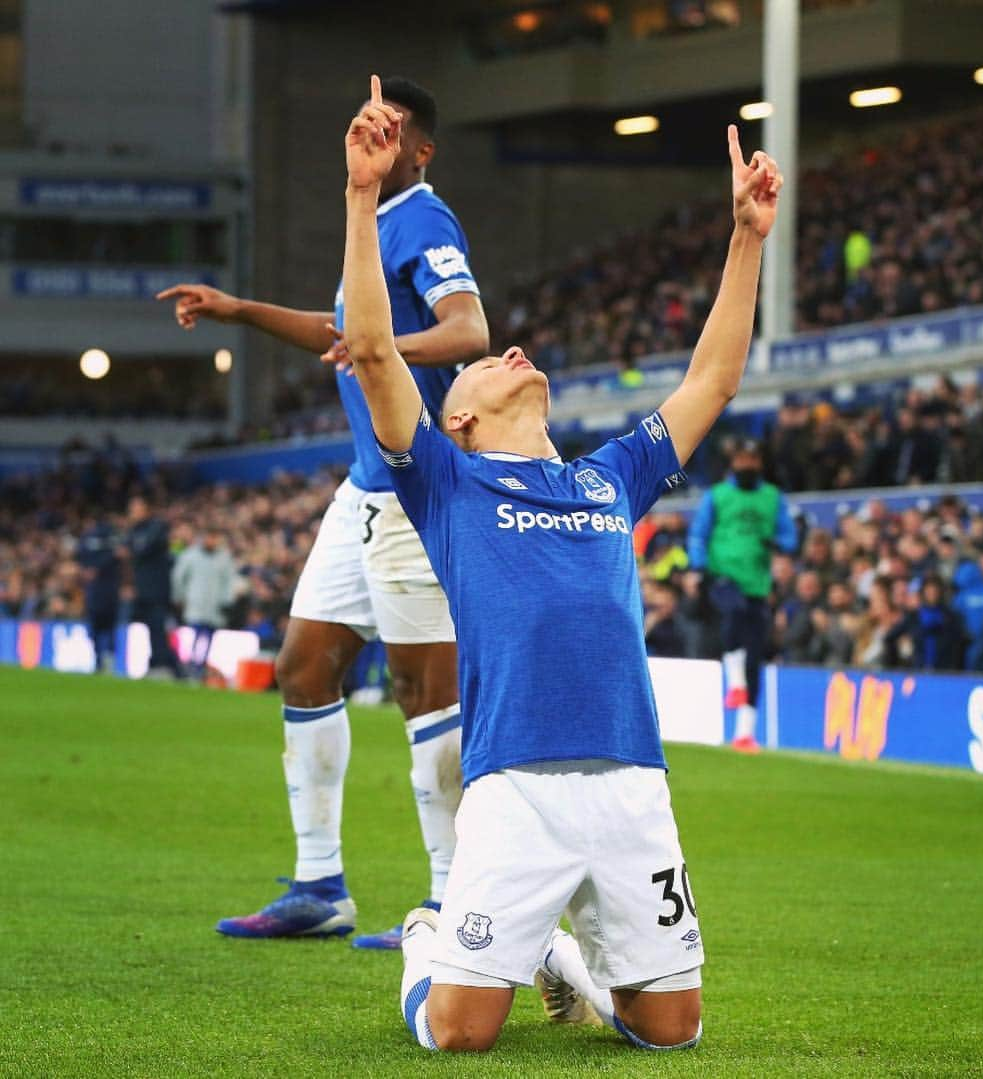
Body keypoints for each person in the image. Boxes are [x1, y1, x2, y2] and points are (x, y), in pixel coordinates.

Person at [339, 78, 781, 1052]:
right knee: (458, 1032)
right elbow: (372, 351)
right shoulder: (446, 481)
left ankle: (568, 957)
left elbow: (713, 378)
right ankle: (431, 936)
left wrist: (746, 238)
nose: (516, 351)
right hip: (517, 783)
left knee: (673, 1033)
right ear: (457, 415)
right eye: (490, 362)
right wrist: (363, 200)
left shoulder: (608, 476)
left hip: (631, 780)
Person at [157, 77, 489, 945]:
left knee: (425, 691)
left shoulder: (423, 217)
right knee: (304, 664)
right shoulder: (369, 226)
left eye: (394, 127)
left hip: (423, 485)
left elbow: (467, 330)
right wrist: (238, 310)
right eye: (362, 123)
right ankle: (319, 885)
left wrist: (386, 348)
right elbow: (336, 328)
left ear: (420, 149)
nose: (375, 136)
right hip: (363, 488)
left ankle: (455, 903)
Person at [684, 440, 797, 752]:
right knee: (731, 618)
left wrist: (779, 548)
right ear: (733, 461)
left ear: (759, 462)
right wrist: (697, 566)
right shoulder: (718, 496)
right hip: (722, 574)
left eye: (752, 459)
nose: (746, 464)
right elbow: (699, 533)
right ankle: (734, 684)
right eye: (742, 459)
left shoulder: (772, 498)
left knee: (755, 653)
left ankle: (745, 732)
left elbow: (788, 536)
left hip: (757, 582)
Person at [123, 497, 181, 679]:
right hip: (142, 590)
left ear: (146, 509)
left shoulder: (157, 527)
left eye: (136, 509)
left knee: (158, 628)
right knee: (150, 629)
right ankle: (158, 663)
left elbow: (140, 549)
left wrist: (132, 548)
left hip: (157, 590)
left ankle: (165, 665)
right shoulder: (134, 530)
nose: (132, 513)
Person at [171, 529, 237, 679]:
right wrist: (179, 597)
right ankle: (189, 665)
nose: (211, 541)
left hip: (214, 606)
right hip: (195, 603)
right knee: (193, 634)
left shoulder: (224, 558)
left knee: (209, 637)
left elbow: (229, 581)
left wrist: (227, 601)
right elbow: (179, 577)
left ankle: (200, 667)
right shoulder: (191, 555)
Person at [76, 516, 121, 673]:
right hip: (105, 592)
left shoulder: (89, 541)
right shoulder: (112, 540)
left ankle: (102, 660)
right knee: (106, 628)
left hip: (102, 592)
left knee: (103, 628)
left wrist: (91, 569)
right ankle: (103, 660)